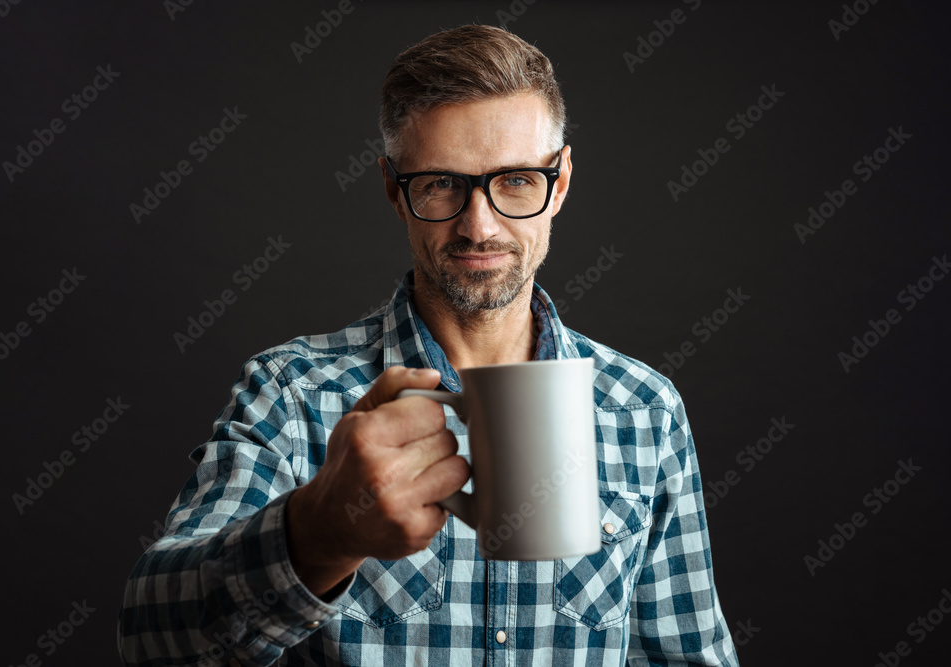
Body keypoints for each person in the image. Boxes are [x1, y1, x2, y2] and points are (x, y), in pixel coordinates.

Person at [118, 24, 739, 666]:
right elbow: (151, 639)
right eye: (441, 183)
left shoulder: (644, 410)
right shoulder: (294, 394)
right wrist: (316, 534)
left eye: (517, 181)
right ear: (394, 187)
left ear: (560, 183)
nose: (480, 225)